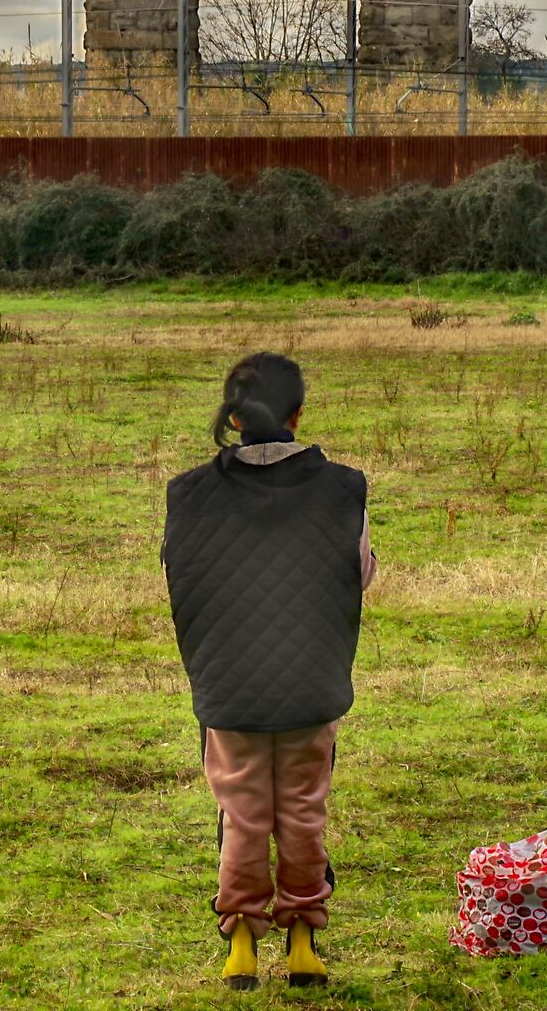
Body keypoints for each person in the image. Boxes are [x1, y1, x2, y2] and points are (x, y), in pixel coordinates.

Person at [162, 351, 376, 990]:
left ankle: (242, 947)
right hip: (312, 680)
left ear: (232, 414)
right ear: (298, 413)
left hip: (229, 684)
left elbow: (179, 573)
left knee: (244, 813)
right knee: (305, 811)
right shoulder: (342, 487)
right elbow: (360, 571)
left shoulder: (188, 493)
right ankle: (305, 936)